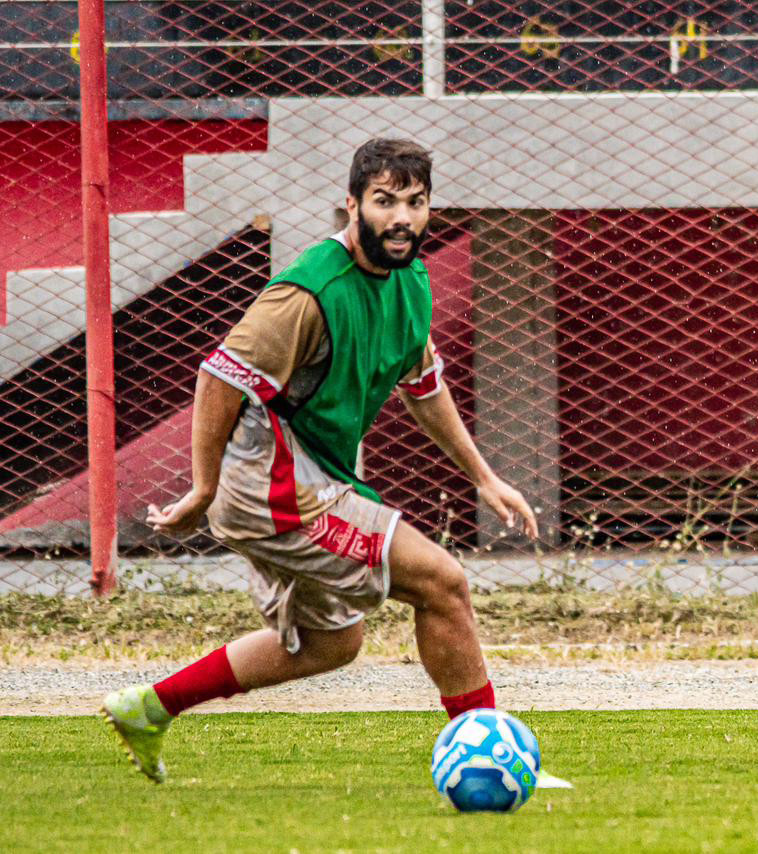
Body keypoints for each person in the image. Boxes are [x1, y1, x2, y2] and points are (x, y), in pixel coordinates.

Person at [101, 138, 538, 782]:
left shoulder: (409, 280)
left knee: (334, 642)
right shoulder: (308, 292)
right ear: (352, 205)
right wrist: (202, 488)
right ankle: (490, 761)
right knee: (441, 582)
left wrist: (486, 477)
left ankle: (148, 708)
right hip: (270, 484)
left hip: (309, 477)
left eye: (415, 203)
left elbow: (424, 387)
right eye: (384, 201)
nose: (401, 218)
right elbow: (219, 378)